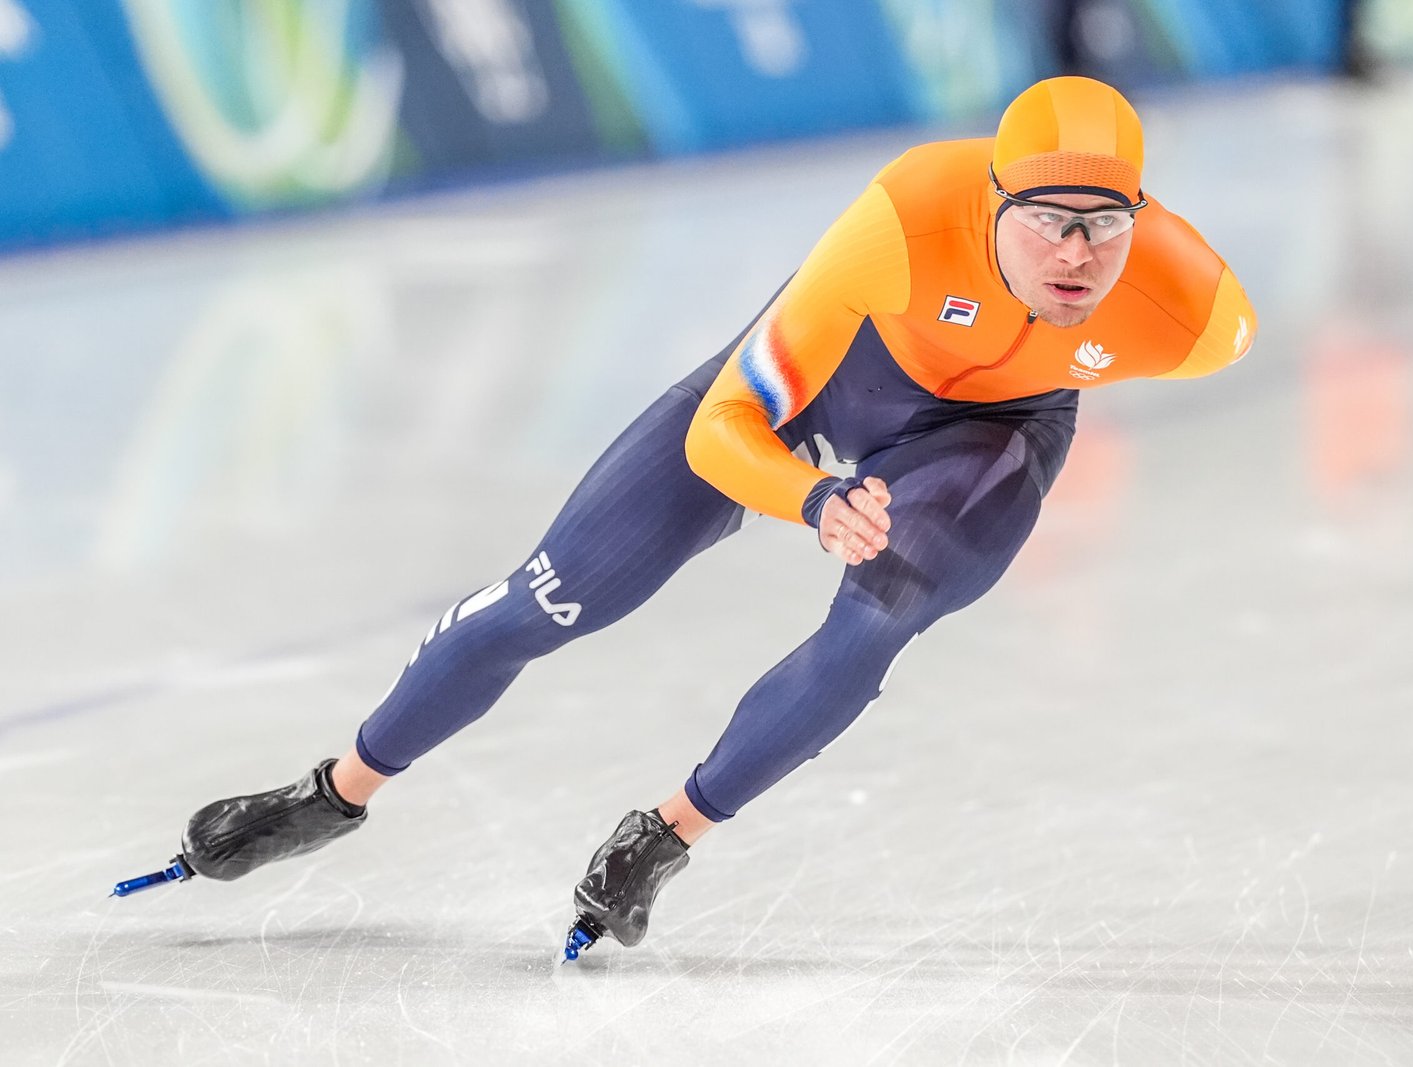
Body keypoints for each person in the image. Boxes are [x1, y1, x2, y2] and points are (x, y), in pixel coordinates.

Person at [114, 76, 1257, 960]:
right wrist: (812, 495)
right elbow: (724, 428)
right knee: (554, 596)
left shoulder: (1192, 309)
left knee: (884, 609)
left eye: (1103, 226)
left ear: (1141, 217)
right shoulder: (903, 221)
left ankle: (660, 836)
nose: (1075, 255)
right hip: (829, 385)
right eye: (1048, 221)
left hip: (987, 432)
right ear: (992, 201)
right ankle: (332, 793)